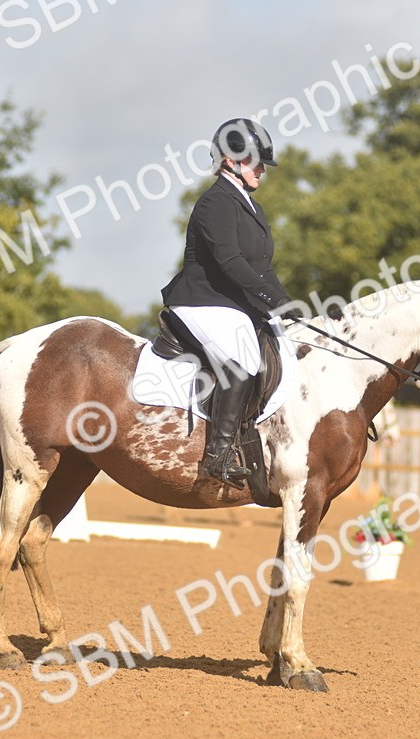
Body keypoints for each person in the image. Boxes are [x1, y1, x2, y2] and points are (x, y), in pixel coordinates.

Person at [160, 118, 301, 488]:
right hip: (202, 300)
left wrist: (288, 305)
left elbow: (261, 267)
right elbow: (230, 262)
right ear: (230, 161)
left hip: (228, 302)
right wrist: (269, 299)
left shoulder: (250, 206)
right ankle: (217, 455)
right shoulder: (216, 203)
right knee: (244, 356)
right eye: (255, 163)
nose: (261, 171)